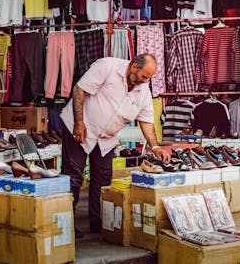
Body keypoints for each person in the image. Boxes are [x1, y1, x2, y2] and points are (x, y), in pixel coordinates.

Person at [60, 54, 170, 237]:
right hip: (80, 128)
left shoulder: (143, 92)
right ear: (134, 66)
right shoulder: (107, 66)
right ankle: (66, 225)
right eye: (144, 76)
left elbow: (146, 122)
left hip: (106, 138)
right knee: (73, 177)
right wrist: (79, 122)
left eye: (149, 78)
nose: (145, 81)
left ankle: (98, 223)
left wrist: (155, 146)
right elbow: (79, 90)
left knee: (102, 179)